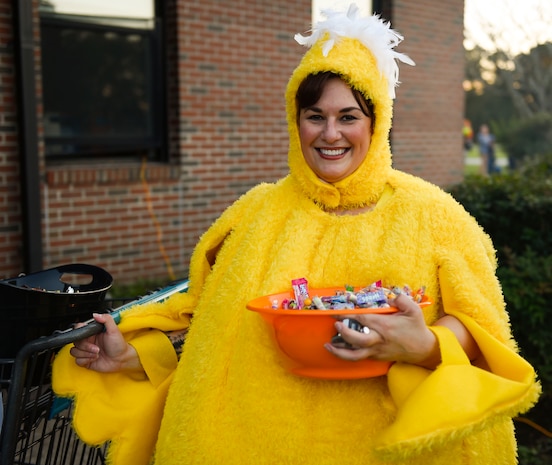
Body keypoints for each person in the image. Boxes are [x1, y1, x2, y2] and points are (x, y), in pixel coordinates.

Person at [52, 6, 539, 465]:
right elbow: (206, 328)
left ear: (377, 122)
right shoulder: (253, 214)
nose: (330, 134)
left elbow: (482, 329)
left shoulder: (436, 216)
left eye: (348, 116)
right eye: (315, 116)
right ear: (295, 120)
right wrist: (135, 356)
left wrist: (426, 346)